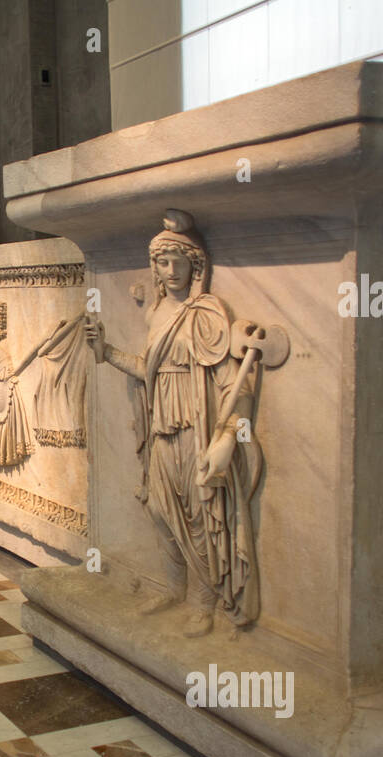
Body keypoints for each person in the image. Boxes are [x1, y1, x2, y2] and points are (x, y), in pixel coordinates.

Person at [84, 209, 262, 638]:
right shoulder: (158, 313)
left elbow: (232, 384)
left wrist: (226, 438)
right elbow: (149, 368)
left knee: (200, 516)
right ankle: (174, 586)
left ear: (194, 265)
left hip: (196, 427)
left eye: (176, 262)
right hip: (162, 425)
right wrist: (106, 351)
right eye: (161, 263)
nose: (169, 271)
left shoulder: (207, 313)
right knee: (162, 511)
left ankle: (203, 602)